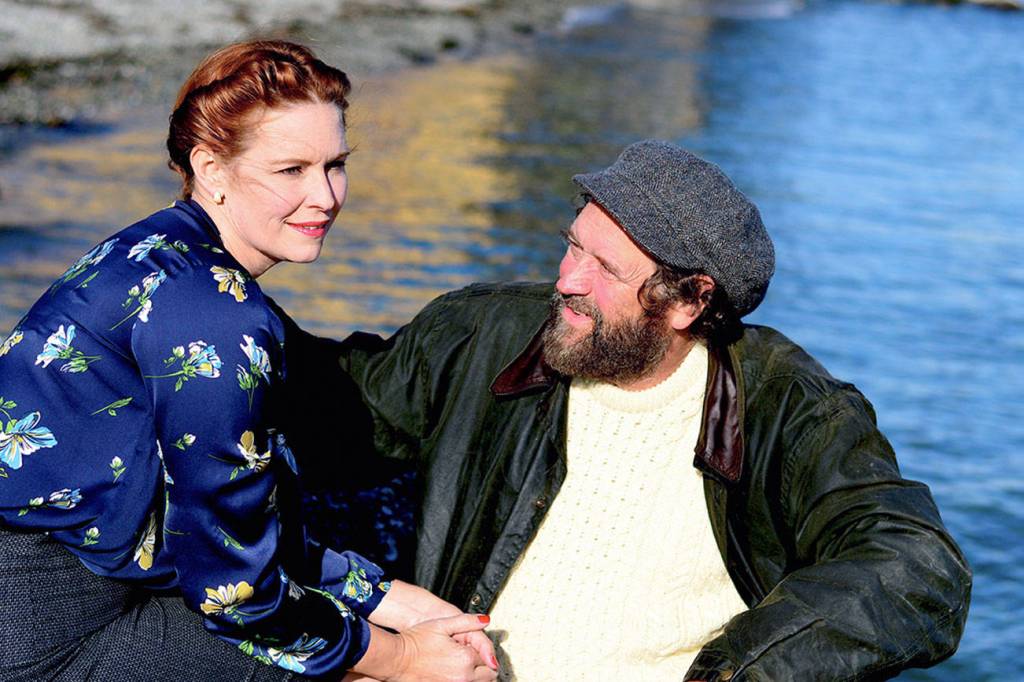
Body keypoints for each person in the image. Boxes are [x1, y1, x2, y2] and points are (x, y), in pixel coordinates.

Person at [336, 140, 972, 680]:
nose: (568, 280)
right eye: (573, 246)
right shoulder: (480, 335)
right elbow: (325, 408)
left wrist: (735, 671)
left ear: (689, 303)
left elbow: (917, 567)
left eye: (605, 268)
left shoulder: (790, 408)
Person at [0, 40, 498, 681]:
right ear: (210, 168)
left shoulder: (154, 249)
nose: (325, 196)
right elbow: (233, 592)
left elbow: (218, 525)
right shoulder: (216, 318)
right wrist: (403, 657)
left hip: (77, 580)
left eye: (336, 165)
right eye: (291, 170)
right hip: (45, 639)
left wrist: (387, 597)